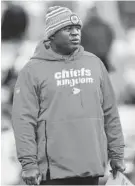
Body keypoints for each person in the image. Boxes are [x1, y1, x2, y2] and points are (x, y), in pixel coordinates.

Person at [12, 6, 125, 185]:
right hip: (53, 173)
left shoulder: (94, 64)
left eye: (77, 28)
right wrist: (28, 164)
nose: (75, 33)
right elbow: (23, 120)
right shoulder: (32, 71)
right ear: (52, 35)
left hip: (91, 169)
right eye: (68, 29)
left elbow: (110, 114)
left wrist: (117, 154)